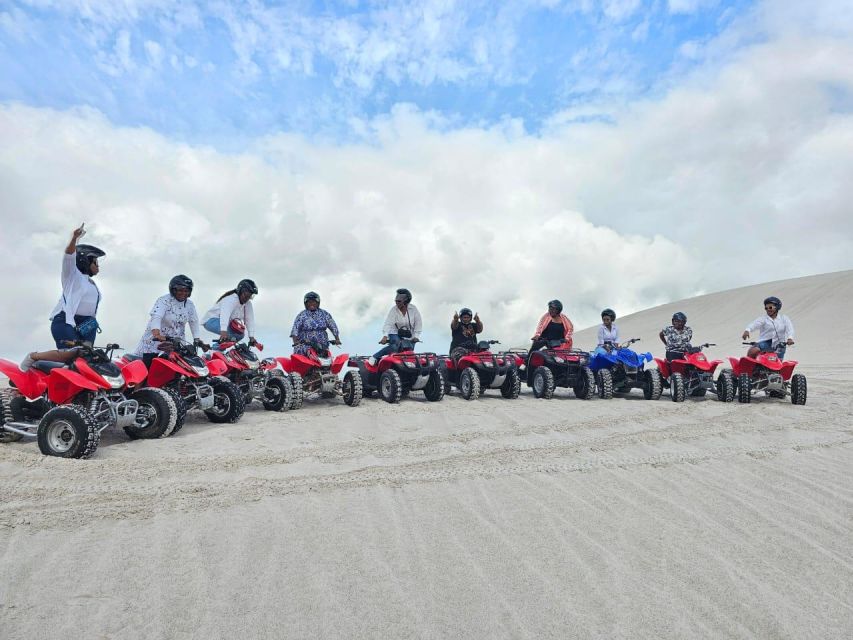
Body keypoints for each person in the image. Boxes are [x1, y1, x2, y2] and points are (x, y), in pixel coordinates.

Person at [20, 224, 105, 370]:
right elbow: (69, 257)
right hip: (65, 320)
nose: (98, 266)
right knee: (69, 354)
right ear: (85, 260)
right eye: (96, 262)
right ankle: (34, 356)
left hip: (87, 324)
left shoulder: (92, 284)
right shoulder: (72, 277)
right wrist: (74, 239)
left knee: (85, 356)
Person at [134, 275, 206, 368]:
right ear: (173, 290)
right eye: (180, 290)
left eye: (186, 290)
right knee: (148, 372)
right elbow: (156, 317)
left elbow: (194, 322)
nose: (183, 293)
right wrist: (157, 334)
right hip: (155, 344)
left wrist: (197, 339)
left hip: (177, 344)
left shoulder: (190, 305)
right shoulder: (164, 301)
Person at [202, 279, 261, 346]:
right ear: (241, 291)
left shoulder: (248, 304)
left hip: (224, 323)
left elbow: (250, 320)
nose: (247, 298)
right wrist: (223, 332)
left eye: (250, 296)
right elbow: (225, 314)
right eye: (246, 295)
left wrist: (251, 337)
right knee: (232, 334)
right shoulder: (231, 299)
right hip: (210, 321)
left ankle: (216, 349)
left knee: (240, 335)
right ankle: (215, 350)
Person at [373, 288, 422, 361]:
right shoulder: (393, 310)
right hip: (394, 332)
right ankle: (375, 357)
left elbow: (418, 323)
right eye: (396, 301)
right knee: (395, 346)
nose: (396, 303)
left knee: (409, 351)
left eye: (399, 301)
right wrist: (385, 336)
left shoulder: (413, 309)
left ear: (406, 301)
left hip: (409, 335)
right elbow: (388, 323)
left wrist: (416, 337)